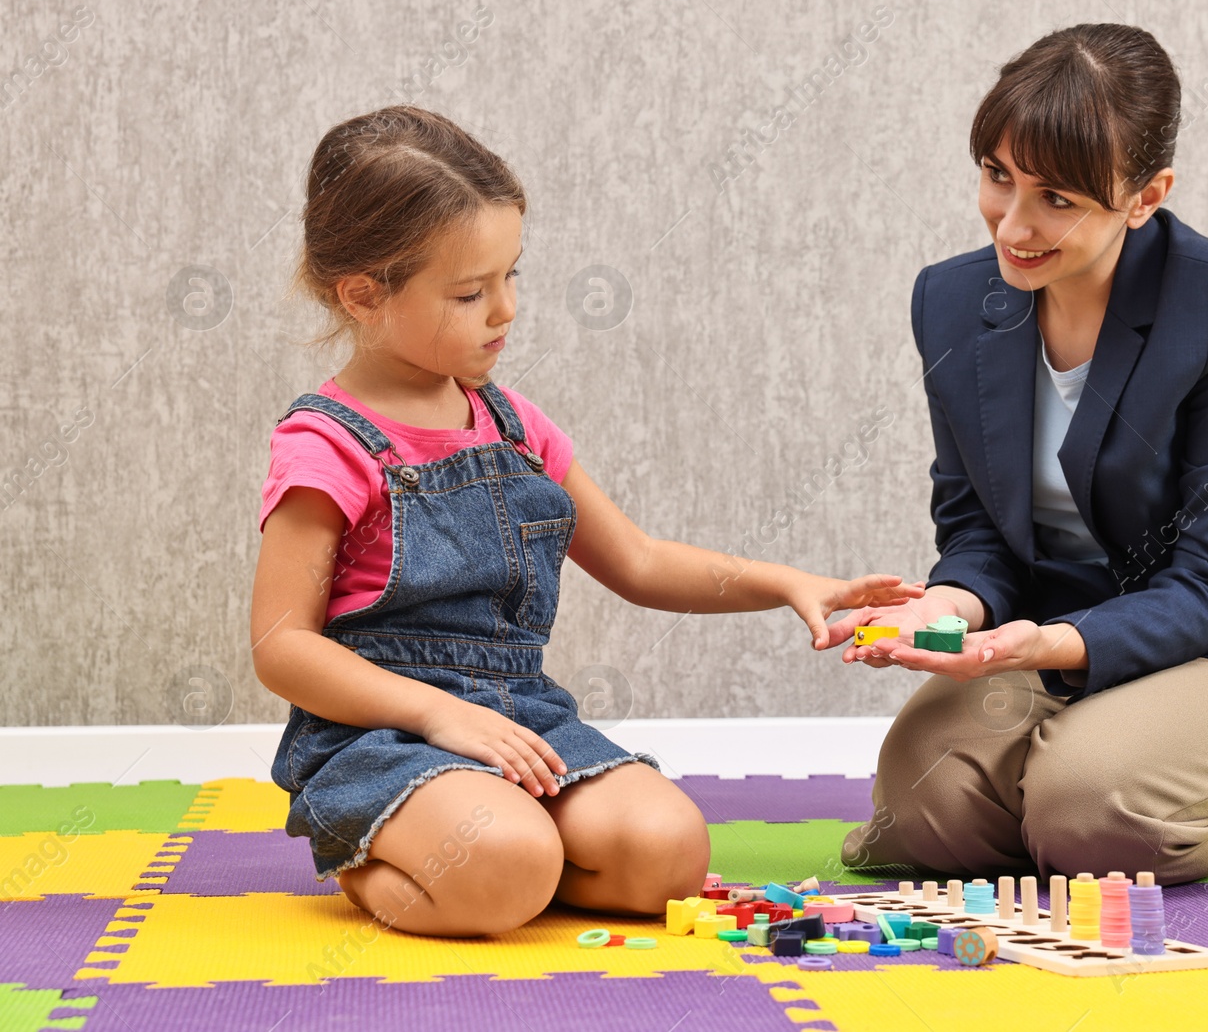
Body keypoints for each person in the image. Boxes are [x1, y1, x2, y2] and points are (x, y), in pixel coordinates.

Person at [250, 106, 923, 938]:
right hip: (379, 734)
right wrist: (436, 715)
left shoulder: (512, 425)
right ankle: (376, 858)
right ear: (363, 294)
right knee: (499, 866)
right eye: (470, 292)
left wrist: (788, 584)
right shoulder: (326, 444)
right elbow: (281, 645)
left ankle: (517, 857)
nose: (506, 310)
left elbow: (637, 560)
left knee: (666, 850)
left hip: (521, 715)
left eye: (512, 276)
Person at [825, 23, 1208, 885]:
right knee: (921, 808)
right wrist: (947, 609)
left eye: (1058, 199)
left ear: (1146, 195)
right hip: (1054, 646)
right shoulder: (950, 300)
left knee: (1086, 808)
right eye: (998, 176)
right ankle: (1078, 785)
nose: (1013, 224)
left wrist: (1038, 648)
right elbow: (976, 528)